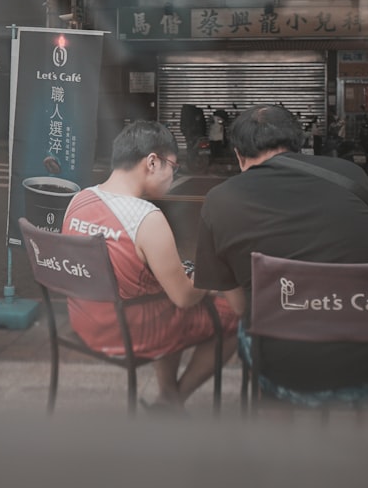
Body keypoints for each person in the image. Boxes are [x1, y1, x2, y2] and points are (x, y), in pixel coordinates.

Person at [193, 104, 368, 405]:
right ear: (299, 143)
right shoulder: (352, 175)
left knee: (248, 322)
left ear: (239, 154)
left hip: (286, 368)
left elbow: (239, 307)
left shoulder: (219, 201)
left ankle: (277, 430)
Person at [62, 120, 239, 410]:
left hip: (85, 322)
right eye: (174, 167)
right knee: (232, 314)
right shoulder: (145, 217)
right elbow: (183, 297)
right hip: (130, 331)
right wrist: (207, 282)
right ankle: (173, 401)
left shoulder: (78, 200)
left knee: (161, 299)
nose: (173, 175)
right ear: (152, 162)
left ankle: (168, 395)